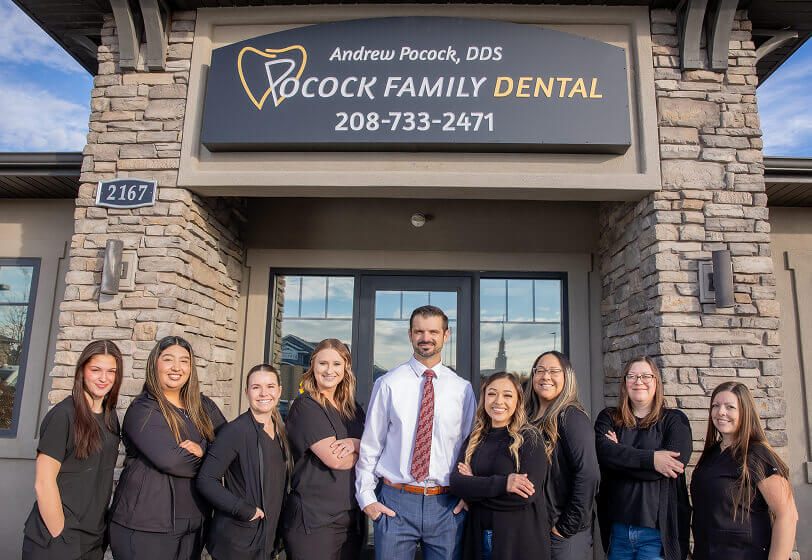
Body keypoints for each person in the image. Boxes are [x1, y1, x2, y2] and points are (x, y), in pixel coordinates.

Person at [356, 305, 477, 560]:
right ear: (410, 335)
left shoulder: (462, 390)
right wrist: (366, 497)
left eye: (433, 331)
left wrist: (469, 496)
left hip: (446, 504)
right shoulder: (388, 383)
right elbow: (371, 446)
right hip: (395, 501)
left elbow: (471, 448)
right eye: (419, 331)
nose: (426, 338)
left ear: (446, 335)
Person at [108, 336, 226, 560]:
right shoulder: (143, 409)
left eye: (184, 361)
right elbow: (173, 461)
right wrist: (213, 455)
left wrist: (203, 449)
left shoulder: (203, 407)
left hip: (193, 524)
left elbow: (230, 445)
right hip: (146, 526)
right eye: (168, 359)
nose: (176, 367)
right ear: (155, 364)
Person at [22, 340, 123, 560]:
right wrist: (61, 534)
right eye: (95, 370)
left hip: (92, 541)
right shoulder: (63, 415)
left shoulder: (110, 417)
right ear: (82, 371)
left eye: (111, 371)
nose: (103, 378)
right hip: (56, 542)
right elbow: (43, 482)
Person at [594, 356, 692, 560]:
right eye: (632, 376)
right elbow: (603, 453)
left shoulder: (674, 420)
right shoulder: (609, 418)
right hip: (618, 532)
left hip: (657, 537)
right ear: (624, 384)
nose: (639, 381)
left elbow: (673, 466)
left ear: (656, 381)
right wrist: (653, 460)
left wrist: (620, 453)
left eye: (646, 376)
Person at [691, 381, 797, 560]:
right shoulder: (711, 454)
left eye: (730, 406)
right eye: (716, 406)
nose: (721, 412)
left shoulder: (757, 454)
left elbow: (787, 515)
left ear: (744, 412)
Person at [450, 372, 549, 560]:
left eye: (507, 395)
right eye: (492, 393)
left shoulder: (530, 438)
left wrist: (474, 490)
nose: (498, 401)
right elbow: (456, 483)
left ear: (518, 401)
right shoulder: (475, 438)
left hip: (518, 544)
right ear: (484, 397)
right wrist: (504, 484)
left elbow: (524, 496)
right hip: (478, 540)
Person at [282, 339, 366, 560]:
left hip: (352, 517)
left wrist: (355, 445)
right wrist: (365, 448)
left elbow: (377, 446)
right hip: (315, 521)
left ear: (346, 368)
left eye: (337, 364)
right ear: (313, 366)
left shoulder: (353, 408)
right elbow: (337, 460)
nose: (330, 370)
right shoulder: (306, 406)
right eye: (323, 363)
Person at [196, 364, 291, 560]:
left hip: (266, 542)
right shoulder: (236, 431)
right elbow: (206, 479)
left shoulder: (280, 431)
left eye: (270, 386)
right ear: (246, 392)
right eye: (256, 387)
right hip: (238, 543)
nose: (264, 393)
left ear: (279, 391)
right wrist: (243, 510)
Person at [525, 351, 599, 559]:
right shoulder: (527, 418)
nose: (545, 376)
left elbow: (589, 475)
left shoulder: (571, 417)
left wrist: (566, 527)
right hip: (536, 529)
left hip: (563, 534)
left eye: (554, 371)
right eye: (540, 370)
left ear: (567, 377)